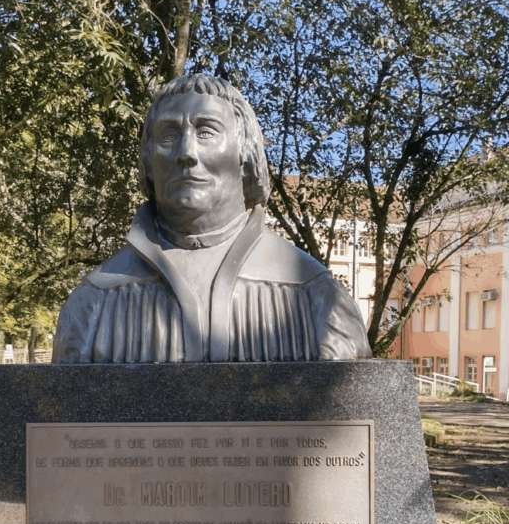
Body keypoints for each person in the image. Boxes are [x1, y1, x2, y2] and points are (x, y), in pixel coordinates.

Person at [53, 73, 372, 364]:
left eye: (206, 131)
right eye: (168, 136)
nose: (186, 152)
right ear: (148, 160)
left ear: (246, 155)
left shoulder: (316, 297)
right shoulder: (94, 300)